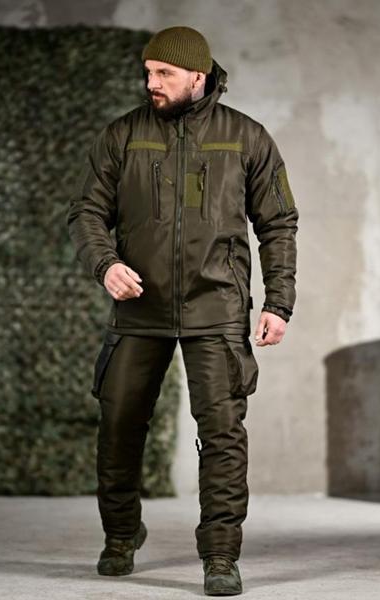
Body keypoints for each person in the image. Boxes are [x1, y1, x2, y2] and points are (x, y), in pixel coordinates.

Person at [67, 25, 298, 597]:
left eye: (164, 73)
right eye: (148, 72)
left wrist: (279, 302)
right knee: (119, 425)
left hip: (216, 306)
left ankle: (220, 555)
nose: (152, 82)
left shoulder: (246, 137)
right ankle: (121, 535)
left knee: (222, 434)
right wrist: (105, 264)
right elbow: (86, 212)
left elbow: (278, 224)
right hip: (139, 308)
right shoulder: (123, 135)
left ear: (198, 75)